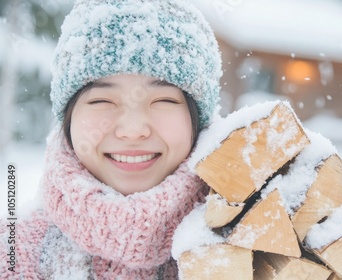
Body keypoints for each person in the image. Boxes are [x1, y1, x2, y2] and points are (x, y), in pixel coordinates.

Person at [0, 0, 221, 278]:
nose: (132, 130)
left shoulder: (252, 250)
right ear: (68, 118)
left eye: (164, 99)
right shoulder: (11, 254)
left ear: (198, 121)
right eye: (102, 100)